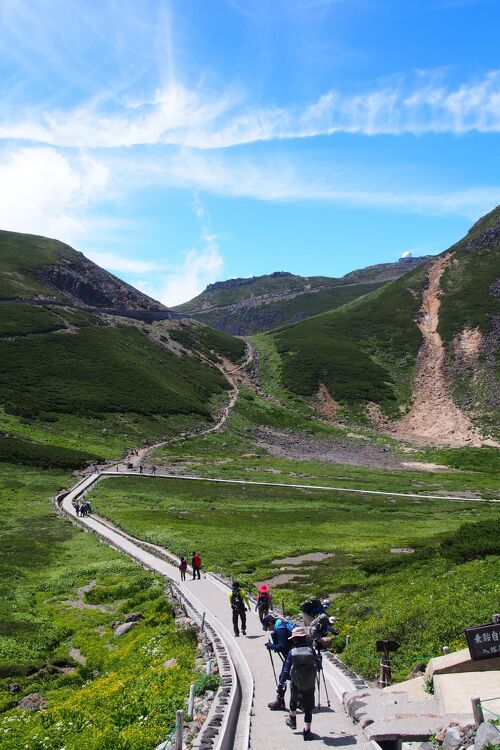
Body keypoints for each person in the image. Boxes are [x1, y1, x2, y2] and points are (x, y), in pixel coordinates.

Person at [281, 627, 321, 741]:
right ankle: (307, 731)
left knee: (293, 699)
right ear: (304, 638)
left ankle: (292, 719)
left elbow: (286, 669)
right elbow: (319, 666)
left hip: (296, 682)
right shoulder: (311, 650)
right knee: (308, 709)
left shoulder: (292, 652)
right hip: (309, 683)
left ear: (294, 640)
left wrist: (282, 682)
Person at [263, 614, 297, 709]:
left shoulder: (280, 630)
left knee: (283, 677)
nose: (268, 630)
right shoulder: (284, 624)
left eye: (267, 627)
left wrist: (270, 645)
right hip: (297, 654)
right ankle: (299, 699)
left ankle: (280, 701)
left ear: (270, 623)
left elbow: (282, 646)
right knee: (292, 676)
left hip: (292, 656)